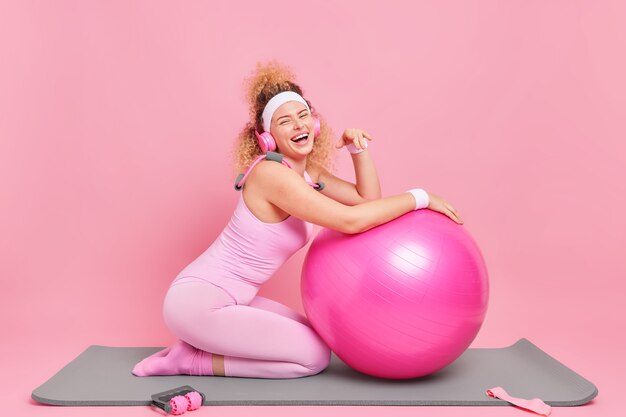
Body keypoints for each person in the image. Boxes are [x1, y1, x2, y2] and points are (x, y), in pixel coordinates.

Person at [132, 62, 462, 379]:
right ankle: (193, 361)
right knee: (314, 358)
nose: (299, 125)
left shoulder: (307, 173)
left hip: (237, 297)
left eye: (304, 115)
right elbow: (350, 221)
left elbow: (367, 202)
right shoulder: (270, 175)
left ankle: (195, 352)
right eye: (286, 121)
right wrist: (420, 197)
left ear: (315, 125)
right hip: (198, 302)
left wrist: (357, 150)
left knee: (318, 340)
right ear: (266, 137)